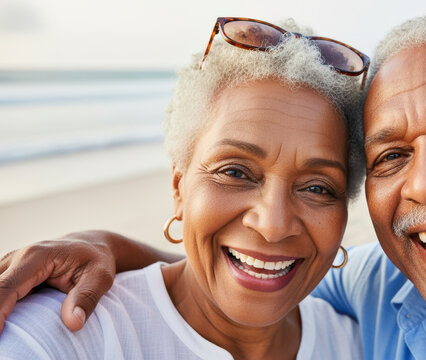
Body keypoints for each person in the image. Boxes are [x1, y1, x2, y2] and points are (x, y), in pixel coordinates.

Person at [2, 9, 426, 359]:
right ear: (180, 186)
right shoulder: (380, 294)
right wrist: (106, 246)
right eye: (391, 156)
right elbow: (243, 277)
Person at [0, 16, 369, 359]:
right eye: (235, 172)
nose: (272, 225)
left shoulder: (356, 341)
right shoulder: (62, 334)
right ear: (179, 187)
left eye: (318, 188)